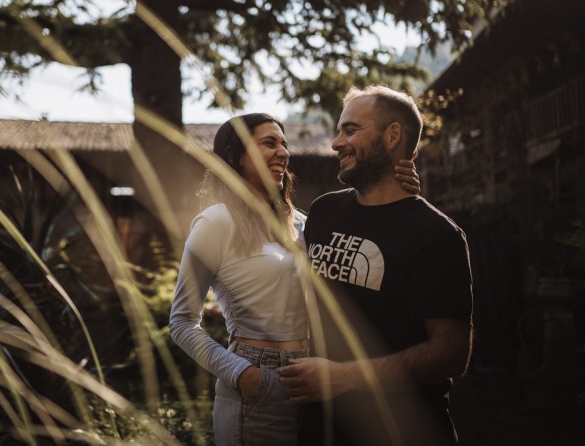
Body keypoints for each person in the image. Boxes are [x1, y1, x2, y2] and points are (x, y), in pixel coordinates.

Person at [168, 113, 420, 445]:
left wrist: (398, 194)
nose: (283, 152)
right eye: (269, 143)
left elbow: (363, 239)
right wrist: (244, 375)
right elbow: (182, 322)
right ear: (234, 157)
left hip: (315, 379)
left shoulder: (302, 222)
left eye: (284, 144)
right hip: (256, 384)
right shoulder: (216, 222)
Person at [277, 86, 473, 445]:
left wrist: (343, 377)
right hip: (320, 428)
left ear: (392, 135)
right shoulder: (323, 211)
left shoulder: (437, 235)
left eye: (350, 130)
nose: (336, 143)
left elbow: (451, 352)